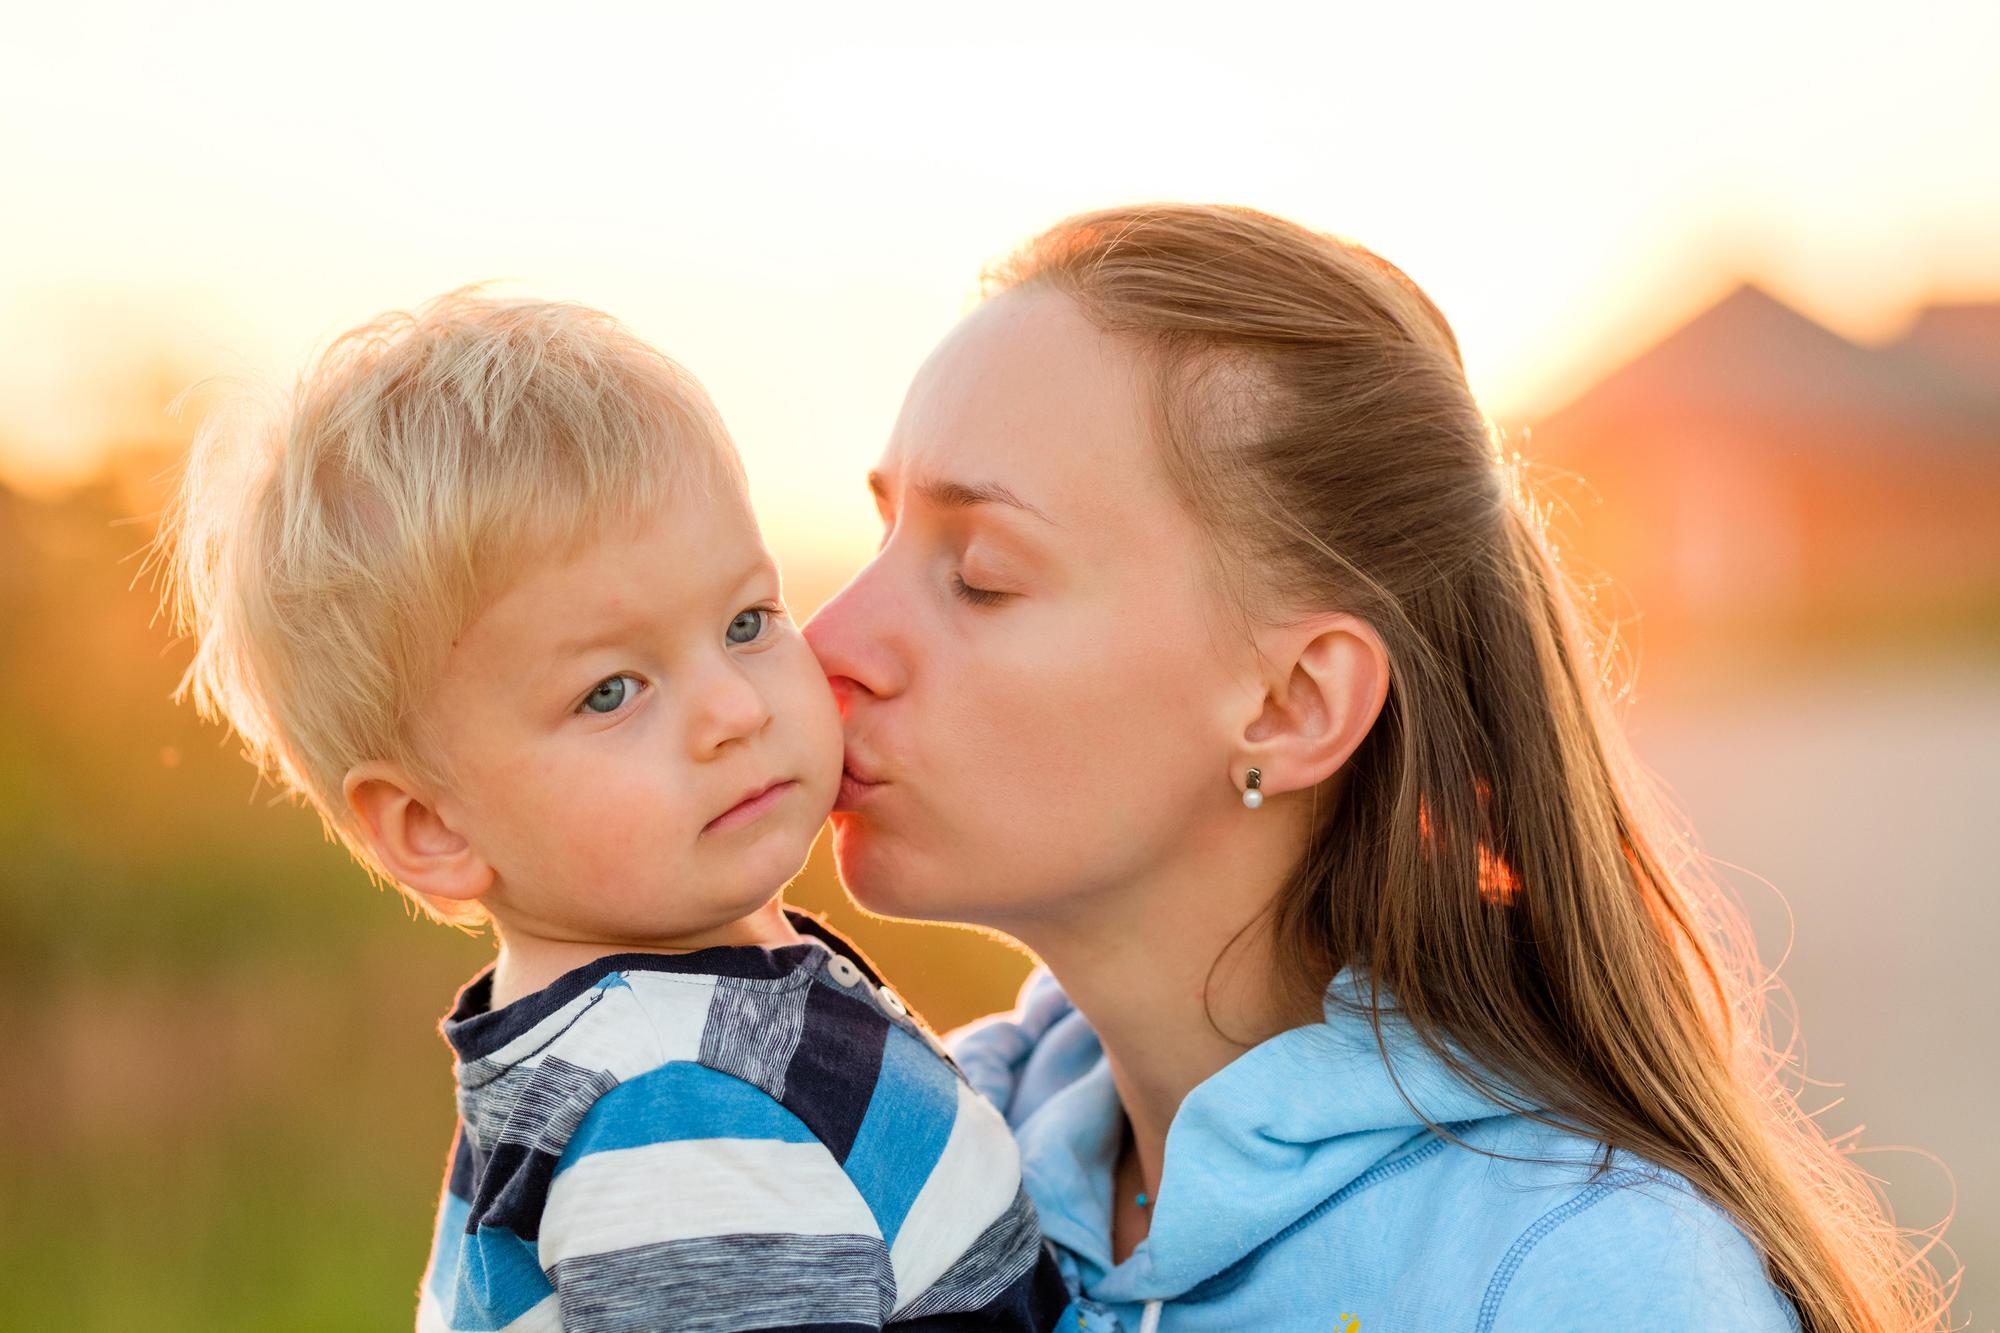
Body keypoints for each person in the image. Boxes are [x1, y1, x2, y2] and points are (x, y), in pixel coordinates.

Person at [802, 205, 1951, 1332]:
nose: (826, 642)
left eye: (982, 575)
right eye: (884, 536)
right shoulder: (889, 1167)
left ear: (1294, 704)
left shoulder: (1585, 1279)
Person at [153, 292, 1069, 1331]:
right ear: (432, 827)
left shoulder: (670, 1026)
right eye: (610, 691)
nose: (731, 708)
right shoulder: (676, 1112)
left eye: (745, 620)